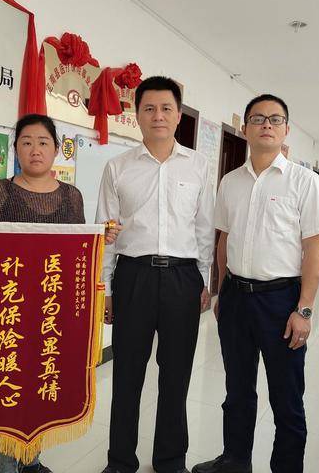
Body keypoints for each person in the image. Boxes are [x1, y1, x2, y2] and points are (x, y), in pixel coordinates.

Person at [192, 94, 319, 473]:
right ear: (245, 128)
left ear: (286, 130)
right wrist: (221, 291)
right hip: (236, 298)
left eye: (275, 119)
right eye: (257, 118)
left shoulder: (305, 182)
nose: (266, 125)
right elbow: (224, 240)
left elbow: (314, 250)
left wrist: (304, 310)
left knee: (287, 398)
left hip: (281, 302)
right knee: (237, 389)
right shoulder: (230, 182)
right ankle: (235, 460)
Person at [0, 113, 120, 473]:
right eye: (26, 142)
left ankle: (32, 459)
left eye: (43, 142)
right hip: (8, 308)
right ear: (16, 149)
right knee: (8, 384)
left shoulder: (71, 196)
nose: (35, 150)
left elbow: (76, 253)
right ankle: (8, 463)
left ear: (55, 150)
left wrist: (100, 239)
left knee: (42, 380)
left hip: (51, 310)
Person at [96, 76, 214, 473]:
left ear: (178, 115)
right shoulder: (117, 167)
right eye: (149, 108)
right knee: (127, 374)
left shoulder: (198, 167)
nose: (158, 115)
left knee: (176, 376)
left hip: (183, 279)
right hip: (133, 277)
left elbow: (204, 229)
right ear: (137, 115)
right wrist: (106, 288)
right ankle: (119, 462)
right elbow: (106, 232)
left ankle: (170, 461)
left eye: (166, 108)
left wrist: (204, 281)